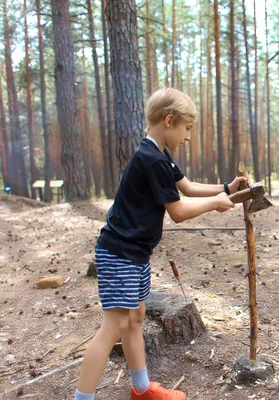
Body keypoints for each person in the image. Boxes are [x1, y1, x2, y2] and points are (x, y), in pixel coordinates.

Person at [74, 88, 247, 400]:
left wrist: (226, 188)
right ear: (170, 121)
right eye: (187, 129)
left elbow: (188, 187)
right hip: (119, 253)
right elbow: (178, 211)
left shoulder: (161, 157)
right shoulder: (150, 159)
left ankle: (141, 390)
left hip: (135, 254)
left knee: (135, 319)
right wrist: (216, 204)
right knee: (114, 325)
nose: (189, 137)